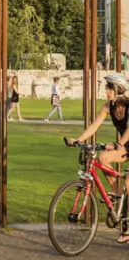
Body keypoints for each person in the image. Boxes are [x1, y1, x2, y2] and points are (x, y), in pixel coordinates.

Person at [67, 72, 129, 244]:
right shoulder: (109, 106)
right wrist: (79, 140)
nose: (106, 91)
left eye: (109, 88)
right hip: (126, 145)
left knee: (128, 182)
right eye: (107, 87)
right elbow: (94, 125)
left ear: (119, 89)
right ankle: (117, 194)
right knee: (102, 158)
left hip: (125, 142)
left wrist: (118, 144)